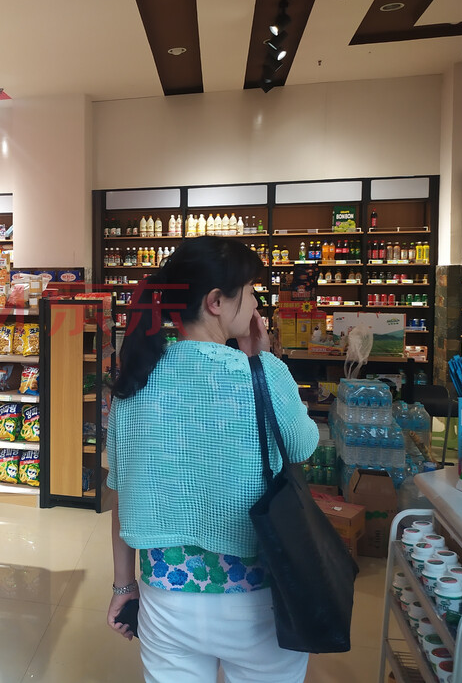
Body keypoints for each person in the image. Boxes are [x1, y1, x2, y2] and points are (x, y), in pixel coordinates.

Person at [105, 236, 319, 683]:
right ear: (216, 302)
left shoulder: (135, 381)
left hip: (165, 596)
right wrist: (264, 360)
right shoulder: (262, 372)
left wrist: (124, 586)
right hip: (258, 598)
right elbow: (303, 445)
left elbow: (122, 493)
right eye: (251, 292)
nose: (256, 303)